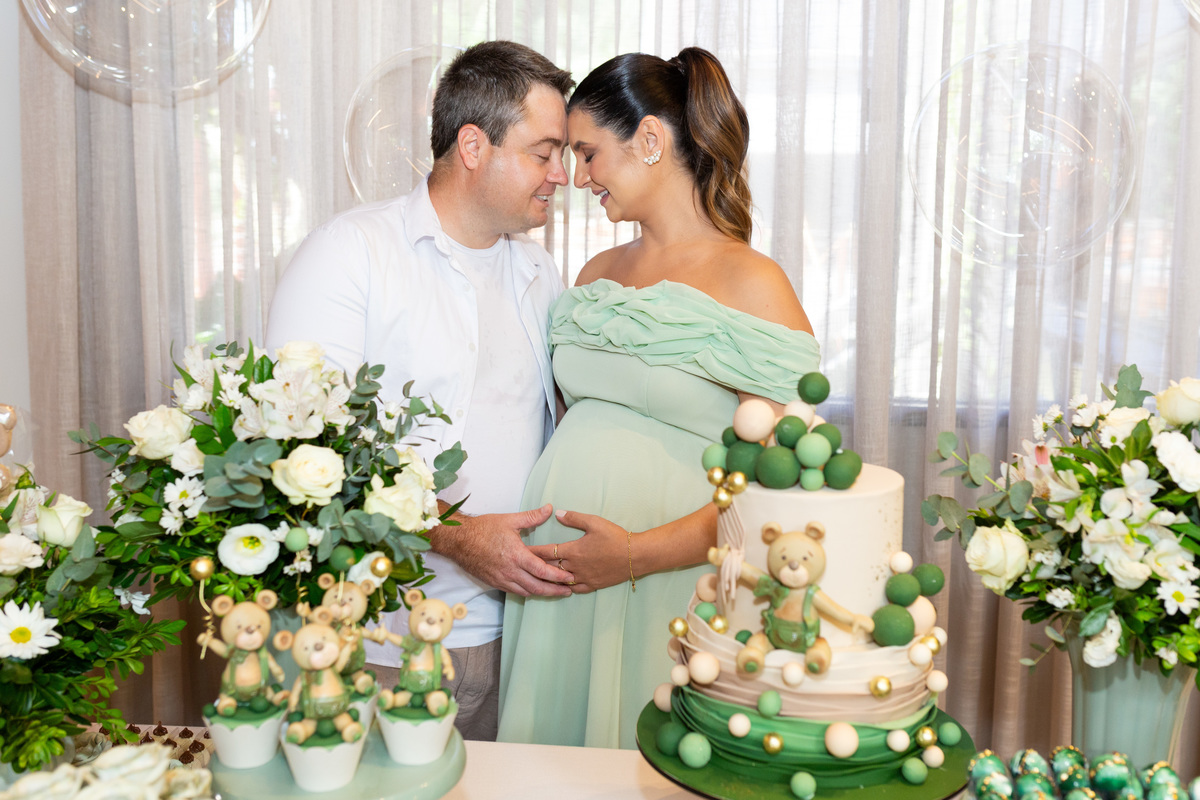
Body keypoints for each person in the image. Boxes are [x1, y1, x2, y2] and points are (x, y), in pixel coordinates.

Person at [496, 47, 821, 750]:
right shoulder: (593, 273)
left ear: (649, 139)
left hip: (667, 585)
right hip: (558, 580)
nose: (579, 177)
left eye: (588, 154)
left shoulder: (752, 282)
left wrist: (635, 554)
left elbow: (786, 488)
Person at [265, 41, 576, 742]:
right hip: (374, 639)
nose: (562, 174)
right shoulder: (350, 255)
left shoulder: (541, 274)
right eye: (544, 152)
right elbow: (299, 453)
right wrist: (457, 537)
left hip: (516, 637)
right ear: (473, 146)